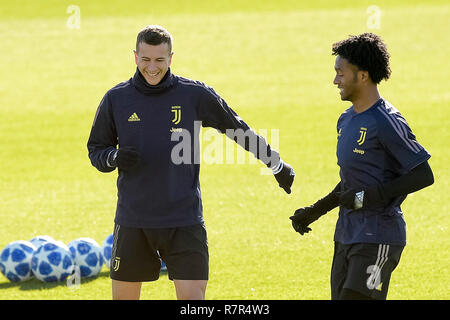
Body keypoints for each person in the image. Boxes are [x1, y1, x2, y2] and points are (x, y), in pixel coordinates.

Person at [87, 25, 294, 300]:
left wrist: (275, 163)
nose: (152, 67)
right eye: (146, 59)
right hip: (133, 220)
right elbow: (96, 149)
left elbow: (237, 128)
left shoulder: (193, 95)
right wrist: (113, 157)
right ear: (135, 57)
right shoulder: (116, 98)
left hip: (183, 221)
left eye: (160, 60)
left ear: (171, 58)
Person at [289, 33, 434, 300]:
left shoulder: (386, 121)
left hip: (378, 236)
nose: (335, 80)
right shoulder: (346, 120)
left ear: (363, 76)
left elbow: (423, 174)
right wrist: (314, 211)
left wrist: (369, 197)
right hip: (346, 236)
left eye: (340, 73)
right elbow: (351, 183)